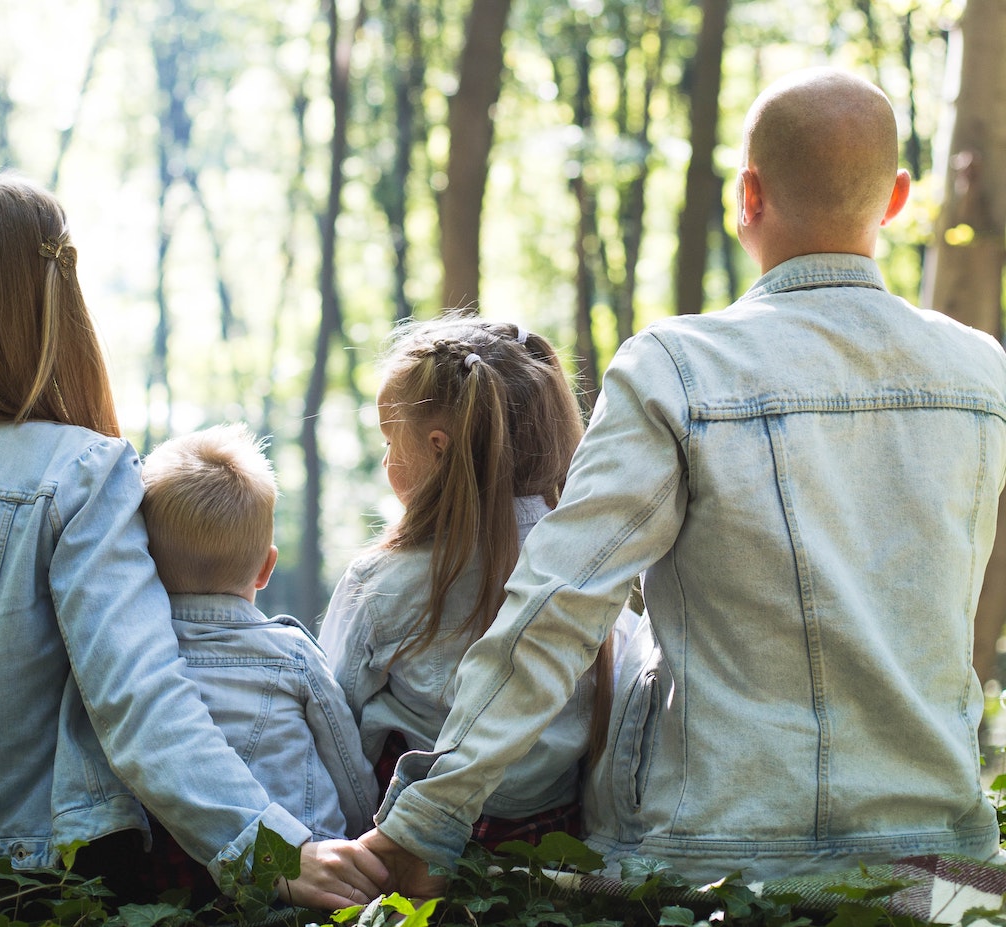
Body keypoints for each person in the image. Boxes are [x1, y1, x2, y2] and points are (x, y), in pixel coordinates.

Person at [359, 67, 1006, 891]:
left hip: (711, 859)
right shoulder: (982, 373)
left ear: (747, 195)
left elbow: (559, 604)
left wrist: (429, 818)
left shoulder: (678, 368)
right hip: (943, 862)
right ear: (897, 199)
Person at [0, 173, 385, 909]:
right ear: (55, 303)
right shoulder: (80, 470)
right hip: (42, 885)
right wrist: (270, 849)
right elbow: (139, 697)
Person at [319, 315, 639, 847]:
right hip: (551, 847)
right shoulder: (596, 575)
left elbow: (335, 725)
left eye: (391, 441)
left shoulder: (380, 582)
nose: (385, 459)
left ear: (438, 447)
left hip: (403, 845)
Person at [138, 423, 378, 852]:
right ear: (267, 569)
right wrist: (361, 831)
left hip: (180, 871)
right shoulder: (293, 655)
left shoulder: (134, 656)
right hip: (306, 865)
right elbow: (348, 771)